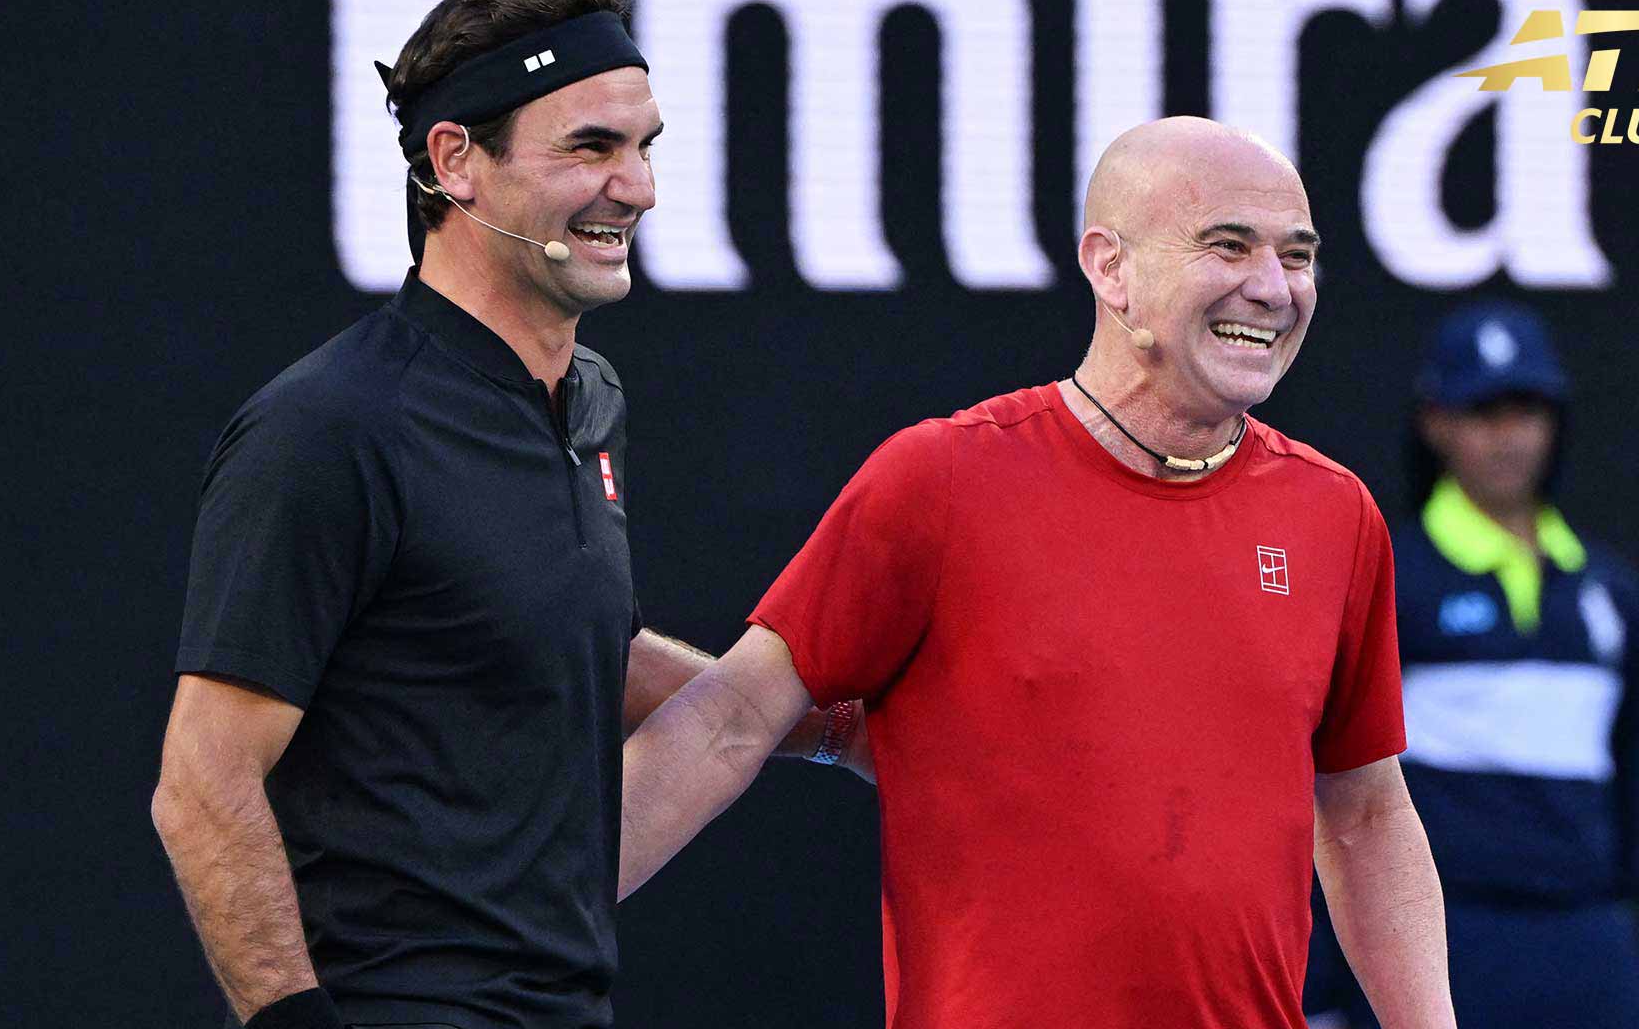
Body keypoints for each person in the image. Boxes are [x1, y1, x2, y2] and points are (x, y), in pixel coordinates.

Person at [620, 117, 1457, 1028]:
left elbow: (1366, 813)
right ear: (1111, 267)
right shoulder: (941, 480)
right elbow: (733, 718)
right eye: (1228, 246)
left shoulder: (1335, 515)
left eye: (1297, 257)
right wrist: (530, 924)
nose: (1272, 288)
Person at [149, 0, 860, 1029]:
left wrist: (819, 727)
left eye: (644, 146)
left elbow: (561, 646)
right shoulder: (330, 428)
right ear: (456, 163)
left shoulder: (590, 402)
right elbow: (202, 781)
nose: (638, 188)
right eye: (589, 147)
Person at [1303, 303, 1639, 1028]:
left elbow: (1630, 781)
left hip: (1585, 938)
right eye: (1482, 410)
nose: (1508, 435)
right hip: (1443, 936)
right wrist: (1323, 991)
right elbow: (1334, 793)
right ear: (1435, 422)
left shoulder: (1610, 592)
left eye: (1525, 409)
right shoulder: (1387, 575)